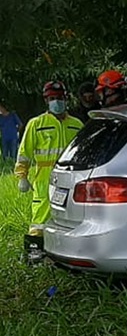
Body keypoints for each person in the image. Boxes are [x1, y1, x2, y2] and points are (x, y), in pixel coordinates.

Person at [15, 81, 84, 263]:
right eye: (53, 98)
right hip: (44, 180)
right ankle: (35, 255)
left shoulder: (76, 125)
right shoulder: (36, 124)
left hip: (71, 179)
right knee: (40, 218)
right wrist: (22, 176)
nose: (57, 102)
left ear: (65, 99)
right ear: (46, 100)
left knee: (70, 217)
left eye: (59, 98)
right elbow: (24, 154)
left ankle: (63, 255)